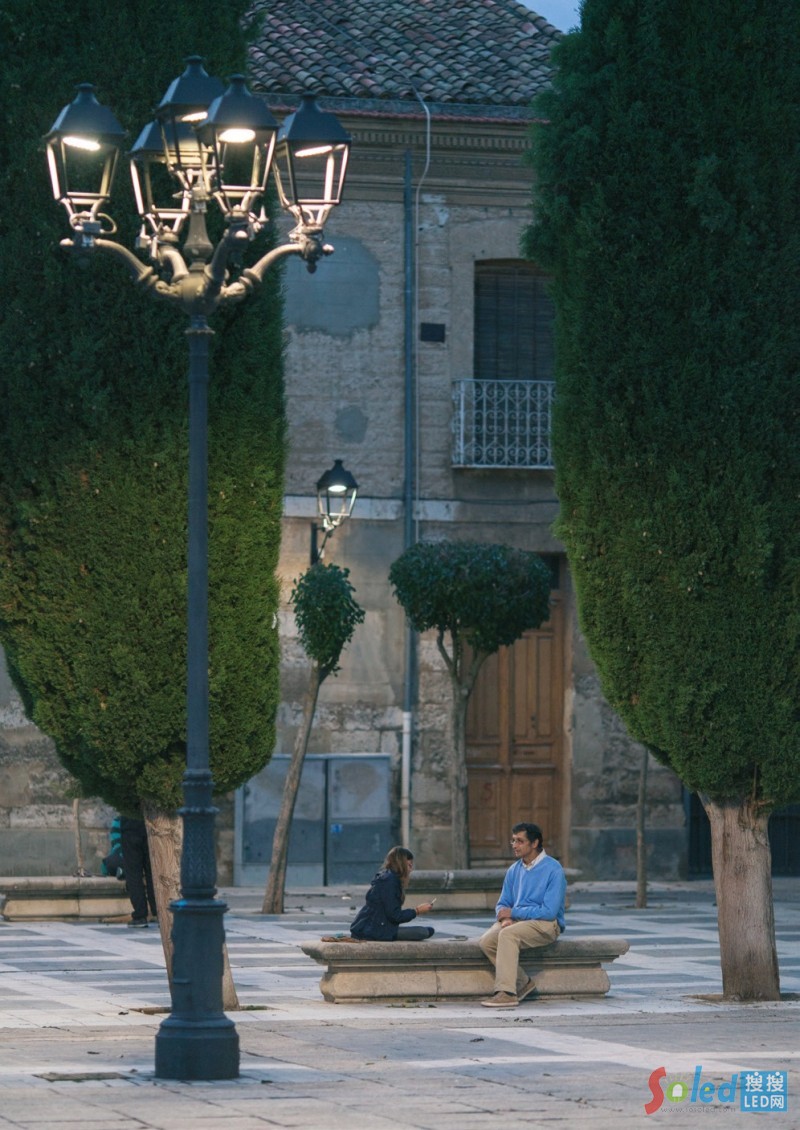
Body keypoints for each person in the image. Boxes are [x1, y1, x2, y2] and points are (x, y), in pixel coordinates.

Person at [479, 821, 566, 1008]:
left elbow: (549, 911)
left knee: (508, 935)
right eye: (513, 841)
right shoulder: (514, 869)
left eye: (519, 841)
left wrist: (515, 912)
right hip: (517, 921)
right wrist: (506, 918)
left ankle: (507, 993)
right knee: (486, 941)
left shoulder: (554, 869)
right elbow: (503, 904)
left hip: (546, 924)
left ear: (534, 843)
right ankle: (523, 983)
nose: (514, 845)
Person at [348, 846, 436, 941]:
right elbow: (395, 916)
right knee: (424, 932)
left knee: (428, 930)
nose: (411, 869)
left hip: (370, 927)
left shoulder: (388, 877)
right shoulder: (390, 882)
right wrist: (417, 911)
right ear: (401, 865)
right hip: (373, 931)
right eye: (409, 865)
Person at [120, 815, 157, 928]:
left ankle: (140, 916)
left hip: (130, 827)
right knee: (153, 873)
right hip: (151, 825)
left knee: (133, 874)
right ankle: (158, 912)